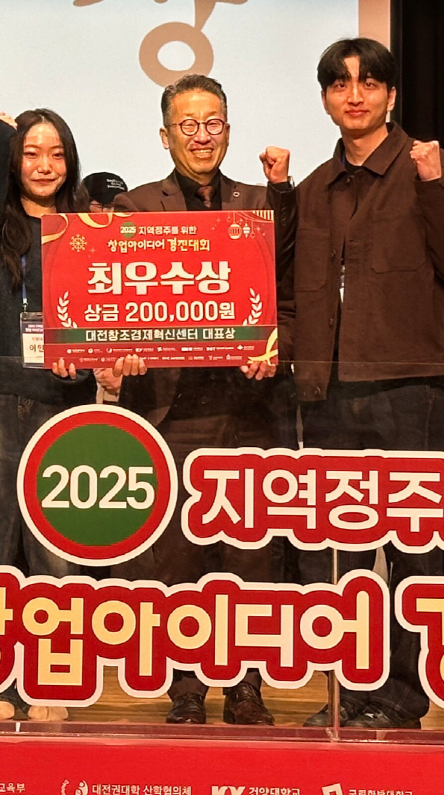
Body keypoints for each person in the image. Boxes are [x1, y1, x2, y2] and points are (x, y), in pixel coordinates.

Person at [285, 37, 444, 728]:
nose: (355, 95)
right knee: (335, 558)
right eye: (340, 83)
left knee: (415, 551)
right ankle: (348, 690)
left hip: (411, 389)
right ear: (325, 98)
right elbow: (293, 294)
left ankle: (402, 695)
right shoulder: (314, 188)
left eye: (369, 82)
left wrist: (435, 188)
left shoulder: (434, 166)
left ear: (392, 94)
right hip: (328, 393)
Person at [97, 73, 295, 725]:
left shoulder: (259, 203)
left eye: (212, 123)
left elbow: (289, 298)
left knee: (252, 554)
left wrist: (276, 346)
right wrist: (121, 351)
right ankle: (186, 686)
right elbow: (120, 300)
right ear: (166, 135)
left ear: (228, 130)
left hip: (248, 407)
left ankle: (246, 685)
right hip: (172, 409)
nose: (201, 135)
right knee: (179, 557)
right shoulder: (135, 207)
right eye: (188, 124)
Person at [0, 107, 99, 720]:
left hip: (60, 401)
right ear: (14, 163)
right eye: (31, 153)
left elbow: (104, 319)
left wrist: (87, 366)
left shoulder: (88, 228)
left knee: (55, 553)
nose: (44, 165)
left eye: (56, 153)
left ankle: (49, 680)